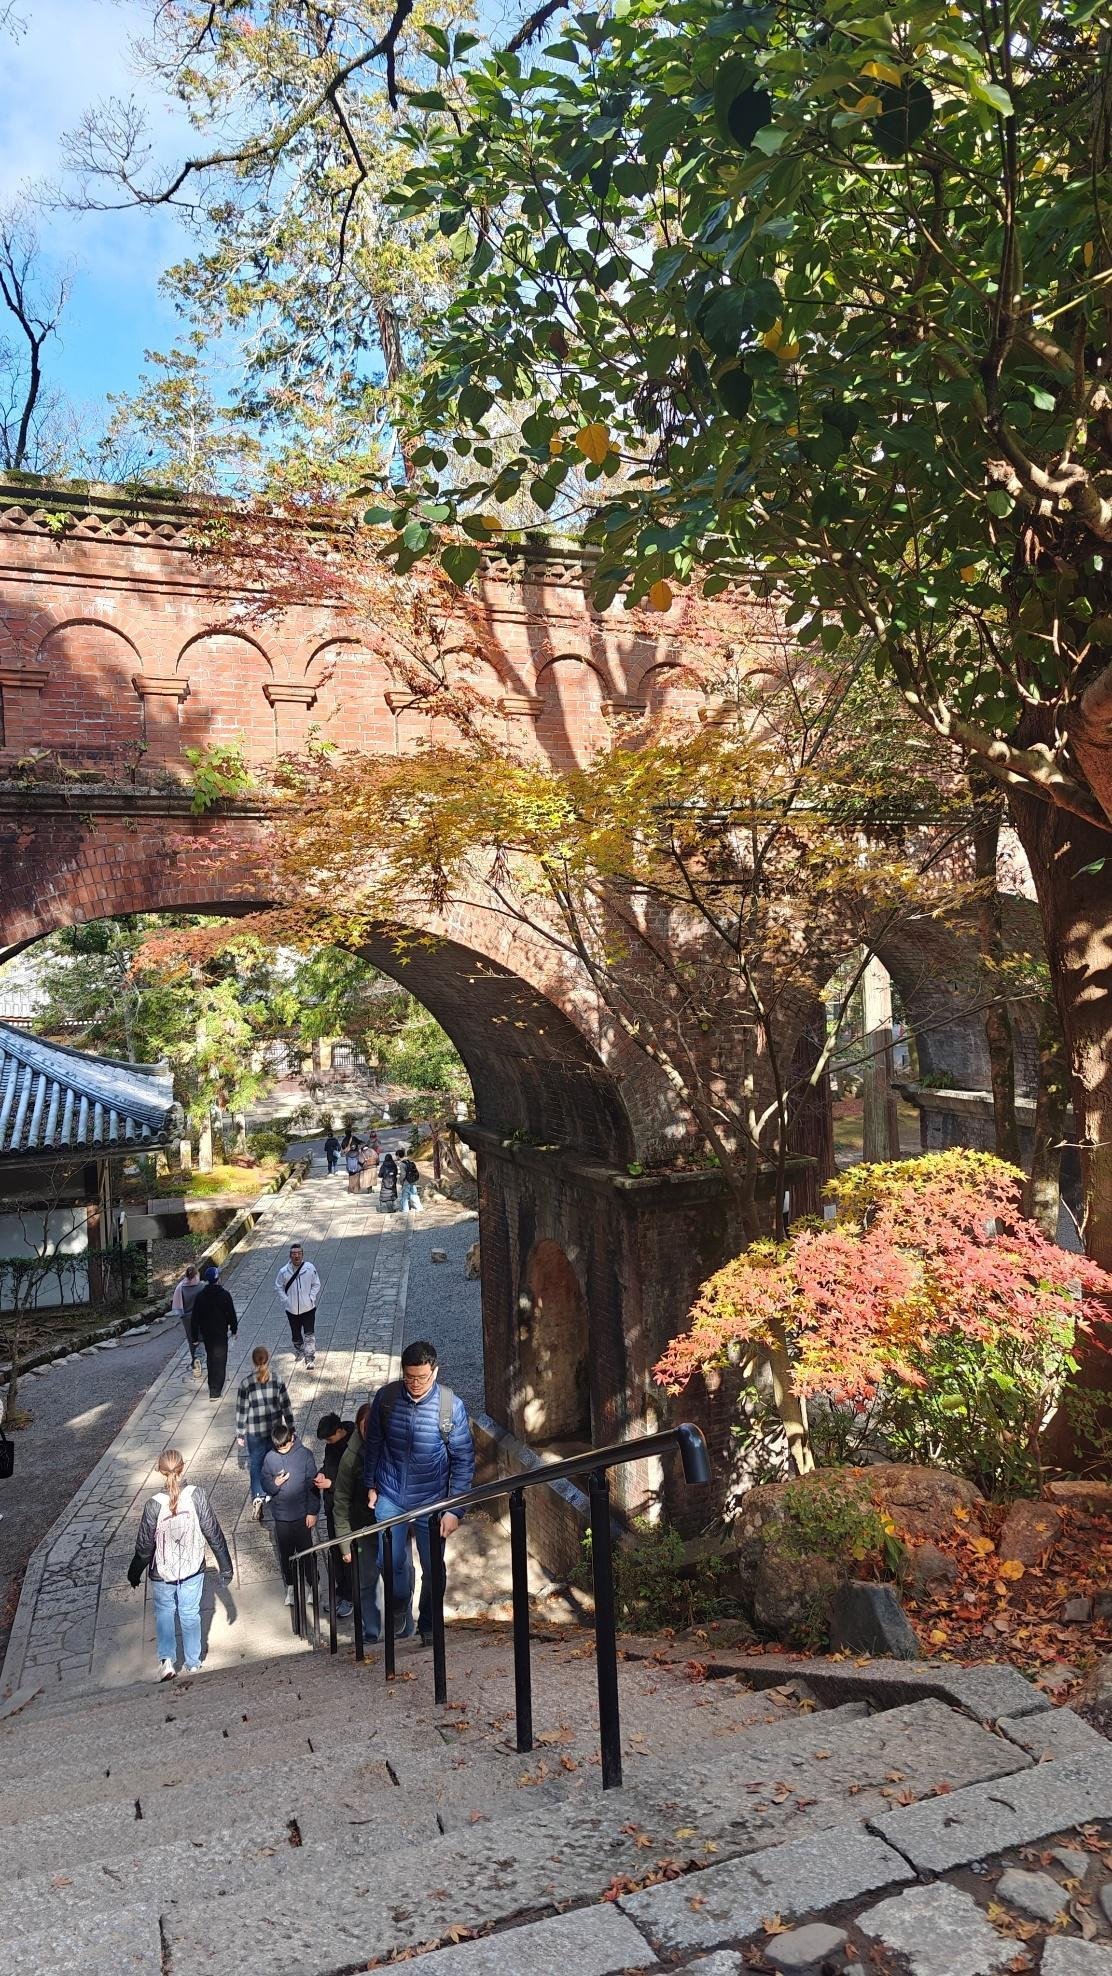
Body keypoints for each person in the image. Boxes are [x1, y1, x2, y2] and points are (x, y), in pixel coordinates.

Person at [362, 1340, 475, 1647]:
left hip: (432, 1502)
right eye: (409, 1377)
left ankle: (428, 1624)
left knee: (433, 1570)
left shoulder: (451, 1407)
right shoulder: (386, 1398)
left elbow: (463, 1461)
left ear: (434, 1372)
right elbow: (372, 1445)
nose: (414, 1384)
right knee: (388, 1562)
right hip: (390, 1496)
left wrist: (454, 1510)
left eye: (421, 1378)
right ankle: (400, 1604)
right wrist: (371, 1484)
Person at [127, 1447, 233, 1680]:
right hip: (193, 1567)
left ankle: (167, 1661)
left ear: (160, 1471)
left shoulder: (153, 1505)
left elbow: (144, 1547)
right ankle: (193, 1662)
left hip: (162, 1572)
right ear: (183, 1467)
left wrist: (134, 1573)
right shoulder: (197, 1495)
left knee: (165, 1612)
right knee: (190, 1613)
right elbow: (213, 1532)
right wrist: (225, 1566)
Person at [333, 1402, 388, 1644]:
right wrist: (345, 1544)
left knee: (401, 1577)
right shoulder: (350, 1458)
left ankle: (401, 1627)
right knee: (366, 1583)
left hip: (392, 1524)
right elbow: (341, 1502)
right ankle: (372, 1632)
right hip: (364, 1528)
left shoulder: (392, 1445)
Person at [262, 1423, 321, 1608]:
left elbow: (313, 1486)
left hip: (302, 1514)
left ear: (292, 1439)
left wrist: (312, 1512)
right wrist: (275, 1483)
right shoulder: (270, 1458)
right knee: (285, 1554)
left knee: (307, 1552)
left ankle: (314, 1584)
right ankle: (291, 1587)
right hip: (281, 1516)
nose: (282, 1450)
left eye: (285, 1446)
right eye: (278, 1447)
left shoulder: (305, 1455)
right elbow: (265, 1483)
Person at [236, 1346, 294, 1519]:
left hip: (254, 1432)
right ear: (268, 1359)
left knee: (256, 1464)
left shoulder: (246, 1384)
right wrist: (291, 1428)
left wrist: (240, 1433)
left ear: (253, 1361)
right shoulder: (277, 1381)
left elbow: (242, 1410)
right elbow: (286, 1406)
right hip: (274, 1430)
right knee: (275, 1461)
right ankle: (276, 1493)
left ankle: (258, 1497)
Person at [314, 1411, 355, 1617]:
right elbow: (329, 1465)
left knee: (348, 1555)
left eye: (330, 1438)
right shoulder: (332, 1445)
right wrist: (323, 1473)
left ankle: (351, 1596)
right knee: (335, 1554)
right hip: (331, 1507)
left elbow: (354, 1483)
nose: (328, 1443)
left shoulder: (353, 1446)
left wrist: (331, 1484)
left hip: (346, 1511)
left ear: (340, 1430)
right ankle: (342, 1590)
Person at [191, 1263, 238, 1401]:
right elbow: (231, 1314)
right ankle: (216, 1390)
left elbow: (195, 1318)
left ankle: (212, 1386)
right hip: (220, 1333)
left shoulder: (200, 1296)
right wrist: (234, 1329)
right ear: (217, 1279)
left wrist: (195, 1337)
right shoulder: (224, 1295)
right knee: (220, 1360)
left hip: (207, 1333)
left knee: (211, 1359)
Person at [275, 1241, 321, 1367]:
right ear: (290, 1256)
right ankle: (300, 1350)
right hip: (292, 1309)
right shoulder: (284, 1271)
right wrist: (286, 1300)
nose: (296, 1256)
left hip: (308, 1308)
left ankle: (309, 1357)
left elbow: (316, 1284)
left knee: (309, 1334)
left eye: (299, 1253)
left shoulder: (310, 1268)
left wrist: (311, 1297)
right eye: (294, 1254)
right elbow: (278, 1286)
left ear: (302, 1255)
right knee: (296, 1334)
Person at [171, 1263, 204, 1377]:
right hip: (201, 1316)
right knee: (202, 1338)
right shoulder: (201, 1286)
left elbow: (178, 1307)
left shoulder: (180, 1287)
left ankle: (195, 1361)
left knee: (192, 1341)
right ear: (196, 1273)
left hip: (187, 1318)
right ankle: (200, 1357)